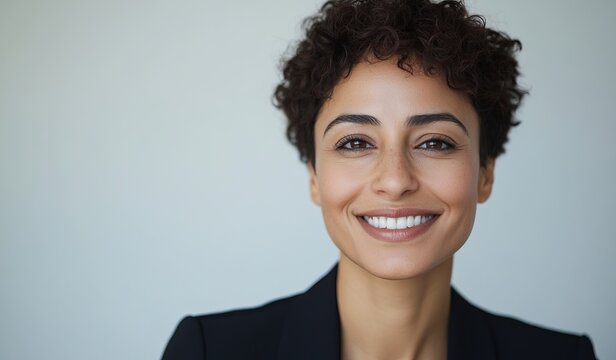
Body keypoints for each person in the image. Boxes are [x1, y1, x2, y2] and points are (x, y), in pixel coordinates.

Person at [162, 0, 597, 359]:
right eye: (355, 143)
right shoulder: (209, 351)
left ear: (485, 173)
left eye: (435, 143)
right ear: (315, 175)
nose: (394, 181)